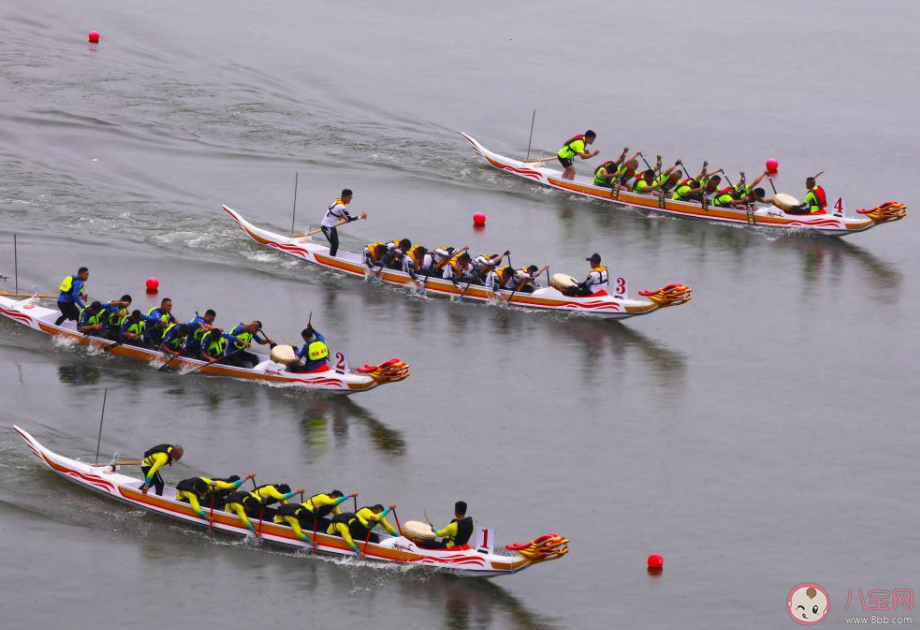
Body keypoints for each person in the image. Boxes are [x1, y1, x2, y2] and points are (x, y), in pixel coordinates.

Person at [273, 490, 357, 543]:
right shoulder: (323, 497)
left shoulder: (334, 506)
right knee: (317, 528)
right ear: (332, 496)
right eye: (338, 500)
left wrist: (349, 525)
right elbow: (333, 502)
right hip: (304, 515)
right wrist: (349, 496)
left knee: (329, 523)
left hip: (315, 516)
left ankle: (340, 535)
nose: (338, 503)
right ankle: (321, 539)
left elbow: (339, 516)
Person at [223, 482, 303, 534]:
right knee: (269, 514)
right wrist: (297, 492)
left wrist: (292, 513)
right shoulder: (271, 489)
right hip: (252, 504)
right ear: (279, 491)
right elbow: (281, 496)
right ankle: (272, 526)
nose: (284, 498)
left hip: (258, 505)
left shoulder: (279, 494)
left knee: (275, 512)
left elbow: (285, 506)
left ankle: (278, 523)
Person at [176, 472, 254, 520]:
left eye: (237, 487)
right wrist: (207, 517)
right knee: (203, 504)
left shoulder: (216, 484)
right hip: (181, 497)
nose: (236, 489)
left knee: (224, 501)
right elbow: (196, 508)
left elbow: (233, 486)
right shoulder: (192, 494)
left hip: (209, 493)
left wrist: (247, 477)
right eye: (202, 493)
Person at [327, 504, 398, 554]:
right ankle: (374, 551)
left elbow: (388, 527)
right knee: (362, 537)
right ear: (378, 510)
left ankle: (377, 550)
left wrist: (399, 537)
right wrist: (389, 509)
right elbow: (375, 518)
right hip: (353, 530)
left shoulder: (378, 516)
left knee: (375, 538)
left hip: (363, 530)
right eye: (381, 513)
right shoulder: (365, 511)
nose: (382, 515)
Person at [321, 189, 359, 257]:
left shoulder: (337, 202)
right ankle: (331, 259)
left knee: (336, 244)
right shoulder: (341, 207)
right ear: (344, 197)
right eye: (349, 197)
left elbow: (335, 213)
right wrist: (361, 216)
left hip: (331, 226)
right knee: (335, 245)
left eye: (351, 197)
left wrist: (344, 218)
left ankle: (331, 256)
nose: (350, 199)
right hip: (326, 227)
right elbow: (349, 218)